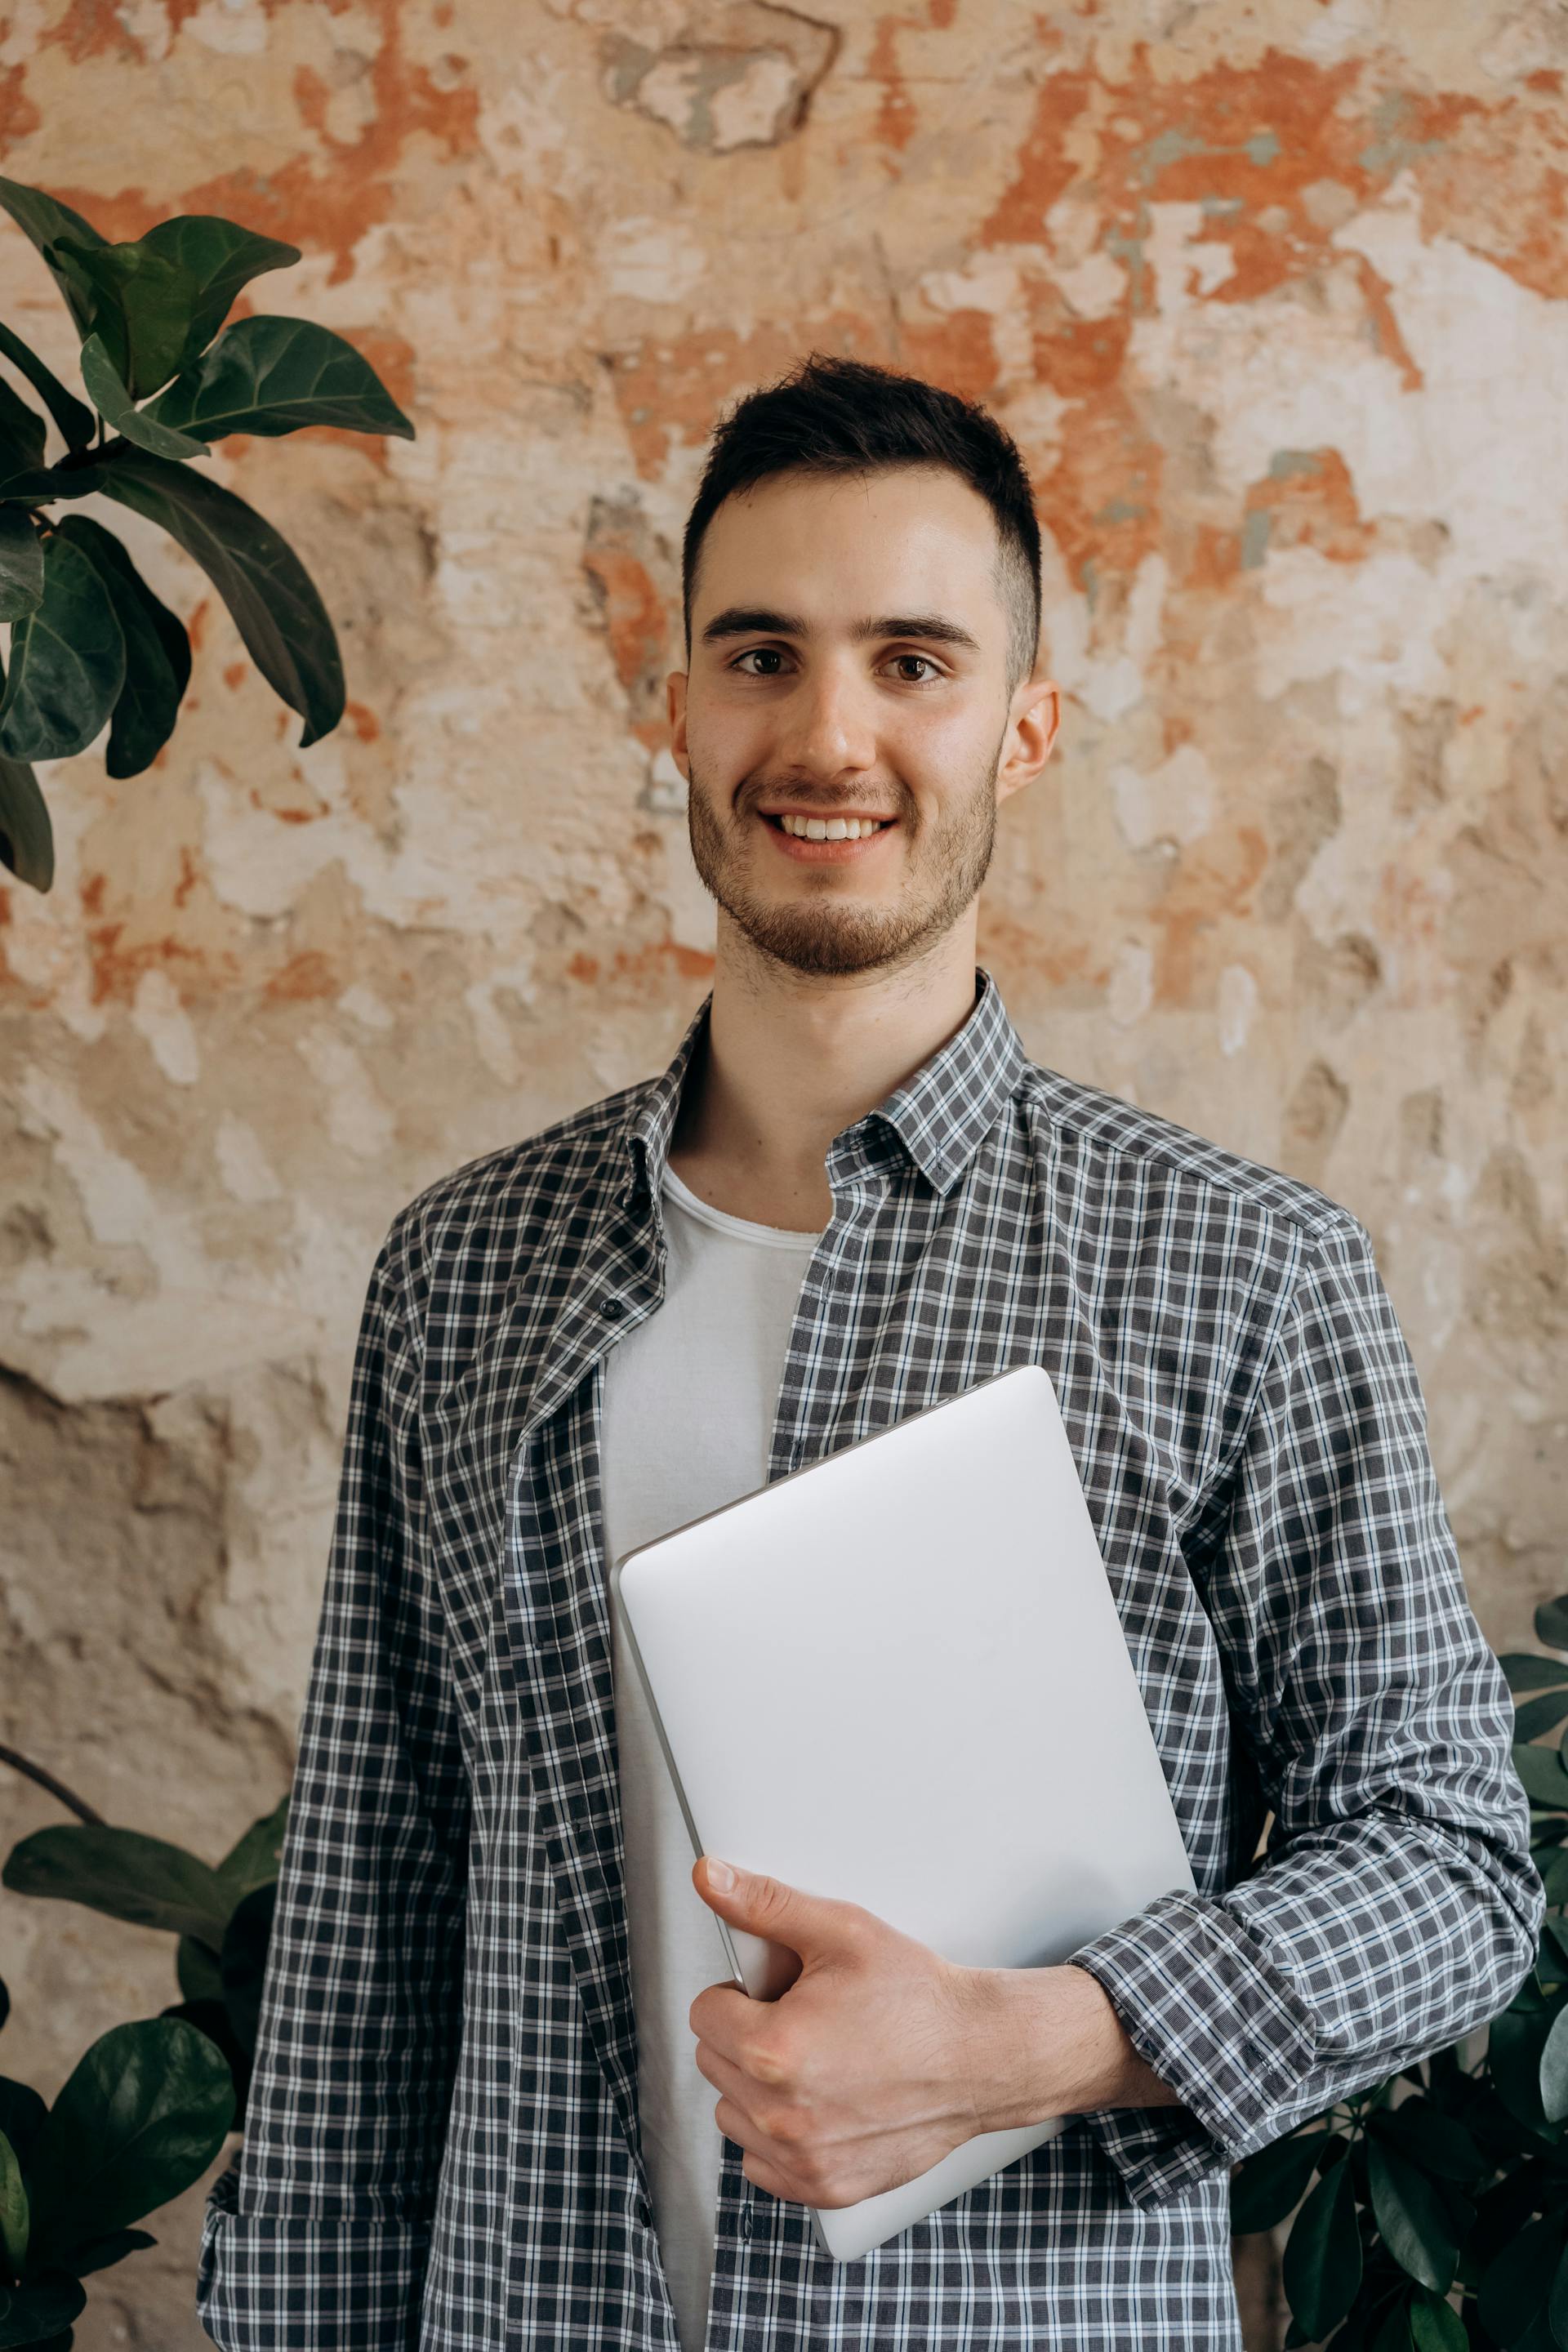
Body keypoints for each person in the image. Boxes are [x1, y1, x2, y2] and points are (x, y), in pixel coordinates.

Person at [196, 354, 1544, 2352]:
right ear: (678, 708)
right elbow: (375, 1914)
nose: (827, 735)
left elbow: (1449, 1867)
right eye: (761, 654)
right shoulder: (466, 1270)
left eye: (914, 661)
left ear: (1026, 726)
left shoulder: (1247, 1272)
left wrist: (1048, 2040)